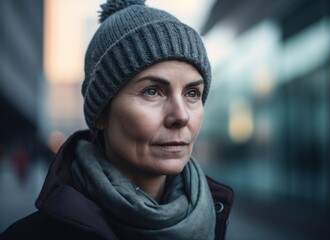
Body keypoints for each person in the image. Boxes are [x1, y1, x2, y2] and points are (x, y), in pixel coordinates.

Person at [0, 0, 234, 239]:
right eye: (152, 91)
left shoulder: (214, 216)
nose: (181, 116)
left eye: (192, 93)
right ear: (102, 113)